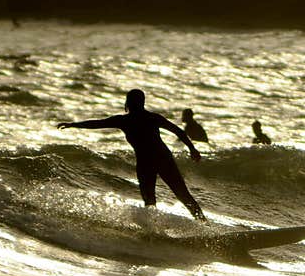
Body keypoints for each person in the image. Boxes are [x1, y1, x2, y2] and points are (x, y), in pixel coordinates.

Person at [57, 89, 206, 220]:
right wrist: (192, 149)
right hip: (155, 159)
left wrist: (193, 149)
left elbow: (177, 131)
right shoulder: (146, 118)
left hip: (153, 160)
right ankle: (160, 229)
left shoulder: (128, 120)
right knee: (160, 197)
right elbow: (97, 123)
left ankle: (197, 224)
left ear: (129, 102)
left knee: (165, 196)